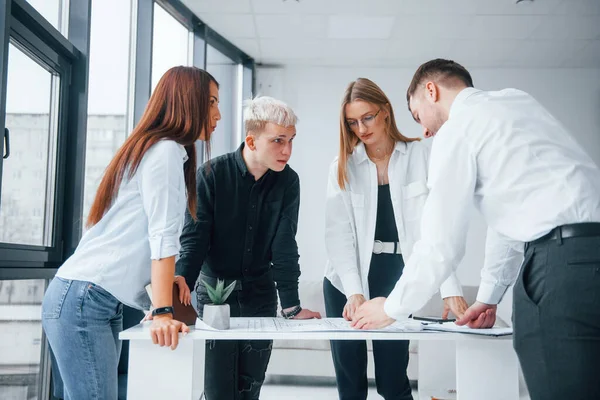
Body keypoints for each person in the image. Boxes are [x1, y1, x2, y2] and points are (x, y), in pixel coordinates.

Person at [351, 59, 600, 400]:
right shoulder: (517, 101)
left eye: (417, 115)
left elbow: (440, 243)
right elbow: (512, 215)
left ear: (431, 90)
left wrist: (392, 308)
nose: (423, 131)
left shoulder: (456, 130)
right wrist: (488, 297)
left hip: (561, 269)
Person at [41, 66, 222, 400]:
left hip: (90, 299)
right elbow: (162, 239)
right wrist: (164, 312)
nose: (218, 114)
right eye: (210, 102)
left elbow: (130, 243)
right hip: (85, 299)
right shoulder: (164, 151)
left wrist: (164, 288)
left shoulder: (159, 150)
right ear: (187, 101)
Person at [324, 77, 467, 400]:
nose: (361, 128)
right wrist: (354, 290)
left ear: (385, 111)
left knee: (393, 380)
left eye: (367, 117)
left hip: (396, 277)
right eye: (352, 122)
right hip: (345, 282)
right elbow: (338, 234)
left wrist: (450, 289)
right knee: (351, 385)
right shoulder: (342, 167)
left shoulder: (420, 156)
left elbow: (438, 227)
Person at [177, 96, 321, 400]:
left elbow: (284, 244)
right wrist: (176, 305)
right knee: (218, 391)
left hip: (260, 295)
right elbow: (194, 242)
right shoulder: (211, 175)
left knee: (248, 389)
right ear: (252, 141)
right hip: (215, 297)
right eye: (278, 140)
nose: (287, 150)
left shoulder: (288, 181)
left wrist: (291, 306)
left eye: (291, 140)